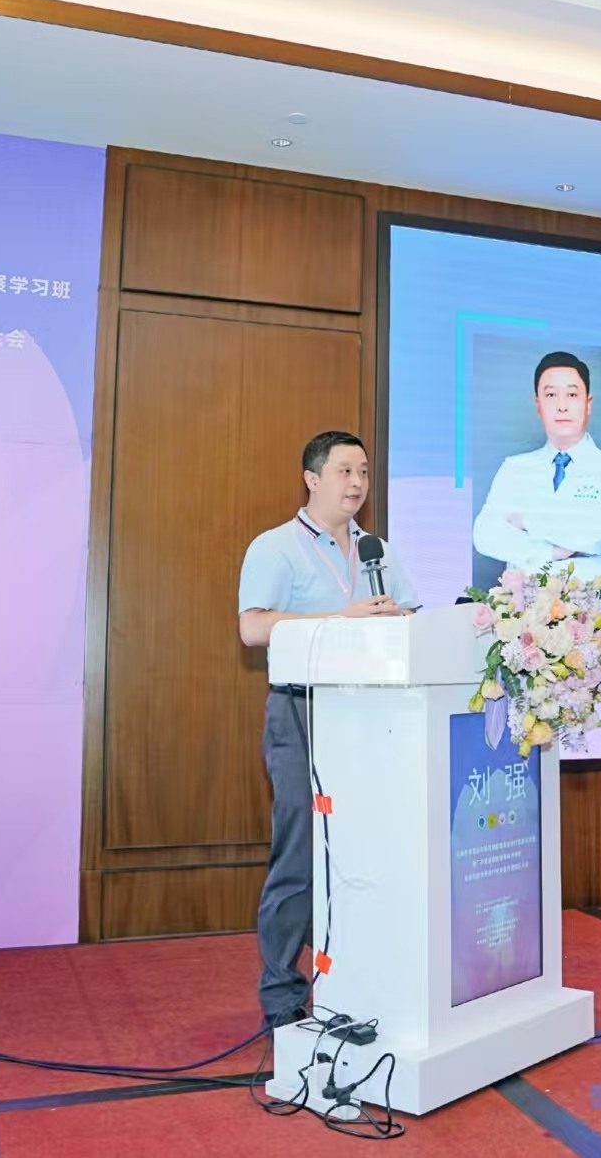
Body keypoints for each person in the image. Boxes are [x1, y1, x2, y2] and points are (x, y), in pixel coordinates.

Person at [237, 430, 420, 1027]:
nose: (358, 482)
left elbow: (411, 615)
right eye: (345, 471)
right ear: (312, 479)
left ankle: (359, 985)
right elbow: (253, 628)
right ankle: (282, 998)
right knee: (301, 853)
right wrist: (342, 619)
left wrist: (399, 619)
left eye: (363, 471)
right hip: (302, 712)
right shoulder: (276, 546)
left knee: (365, 850)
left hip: (371, 716)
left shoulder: (376, 550)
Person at [472, 350, 601, 599]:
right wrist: (553, 551)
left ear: (588, 404)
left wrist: (525, 521)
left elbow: (593, 537)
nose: (562, 406)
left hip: (594, 616)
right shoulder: (514, 468)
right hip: (523, 616)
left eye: (572, 394)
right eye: (551, 395)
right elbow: (484, 535)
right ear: (538, 404)